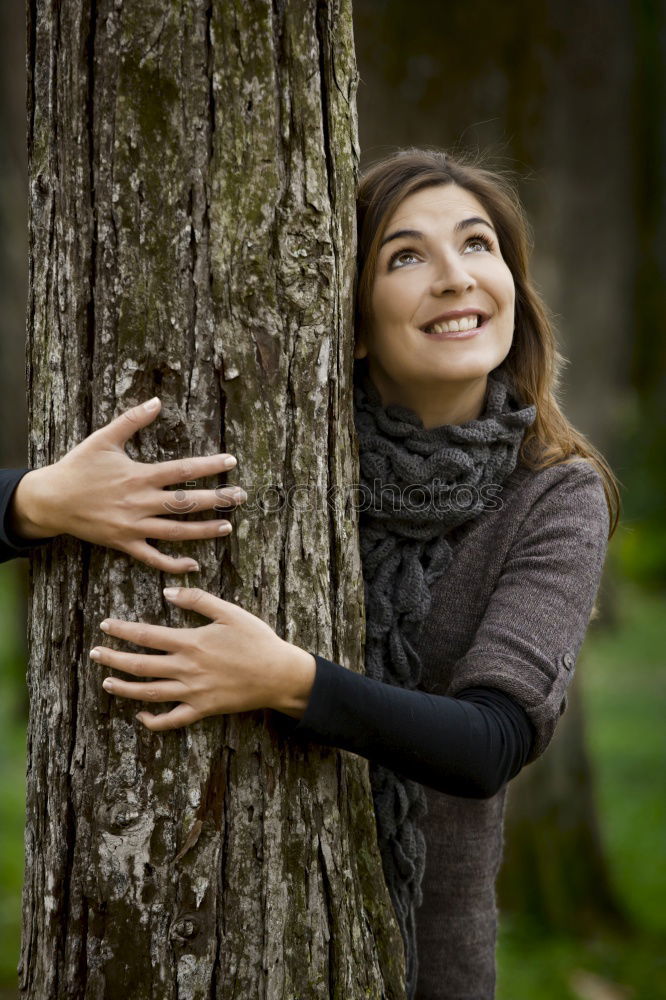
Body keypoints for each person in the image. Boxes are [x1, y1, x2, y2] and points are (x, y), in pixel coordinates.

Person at [0, 147, 619, 1000]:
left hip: (420, 963)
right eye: (406, 256)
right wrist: (37, 501)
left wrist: (289, 681)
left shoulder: (555, 495)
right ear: (355, 318)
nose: (454, 277)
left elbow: (492, 743)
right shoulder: (281, 444)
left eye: (478, 245)